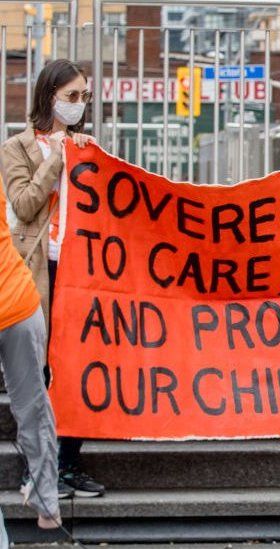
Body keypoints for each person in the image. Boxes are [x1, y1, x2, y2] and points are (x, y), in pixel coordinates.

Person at [1, 59, 105, 497]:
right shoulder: (17, 148)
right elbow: (24, 205)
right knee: (39, 371)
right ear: (49, 98)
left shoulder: (87, 145)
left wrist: (88, 157)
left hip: (82, 268)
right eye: (72, 97)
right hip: (39, 270)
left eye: (85, 97)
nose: (79, 105)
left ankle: (69, 464)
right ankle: (38, 469)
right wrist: (57, 158)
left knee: (78, 366)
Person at [0, 176, 62, 533]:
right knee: (34, 408)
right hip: (22, 305)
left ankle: (47, 504)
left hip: (17, 309)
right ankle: (48, 506)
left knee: (33, 409)